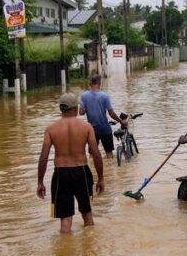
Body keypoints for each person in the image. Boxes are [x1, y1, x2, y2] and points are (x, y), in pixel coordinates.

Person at [38, 93, 105, 233]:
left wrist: (40, 182)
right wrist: (101, 178)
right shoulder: (86, 127)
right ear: (76, 108)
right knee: (87, 214)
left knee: (65, 219)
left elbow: (43, 157)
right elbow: (96, 154)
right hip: (82, 172)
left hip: (61, 174)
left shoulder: (51, 129)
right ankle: (90, 249)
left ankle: (65, 253)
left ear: (61, 109)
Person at [79, 75, 123, 158]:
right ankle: (110, 170)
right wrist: (120, 121)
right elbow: (111, 113)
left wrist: (86, 107)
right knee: (109, 153)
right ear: (99, 83)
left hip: (92, 129)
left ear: (90, 83)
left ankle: (93, 169)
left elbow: (81, 112)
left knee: (92, 155)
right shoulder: (104, 96)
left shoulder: (84, 96)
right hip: (105, 129)